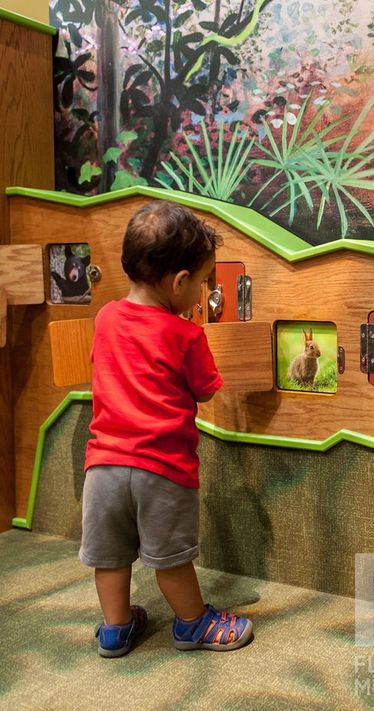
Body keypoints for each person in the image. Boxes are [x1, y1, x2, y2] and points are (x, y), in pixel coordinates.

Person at [79, 200, 253, 657]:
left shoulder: (105, 319)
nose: (202, 292)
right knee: (171, 559)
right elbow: (207, 390)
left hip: (103, 468)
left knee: (111, 557)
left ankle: (115, 629)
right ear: (180, 282)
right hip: (162, 470)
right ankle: (192, 624)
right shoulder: (185, 334)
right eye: (201, 282)